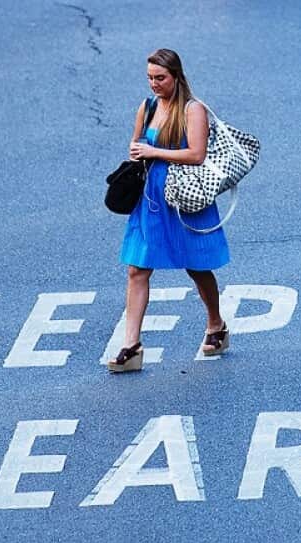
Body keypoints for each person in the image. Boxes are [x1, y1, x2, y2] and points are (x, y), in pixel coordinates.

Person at [109, 48, 230, 372]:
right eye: (150, 78)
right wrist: (137, 154)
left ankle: (216, 324)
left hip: (184, 197)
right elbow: (136, 147)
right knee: (137, 269)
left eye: (160, 78)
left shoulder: (194, 110)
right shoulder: (147, 107)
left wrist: (154, 151)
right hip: (150, 197)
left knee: (197, 266)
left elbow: (196, 154)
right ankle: (131, 345)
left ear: (176, 76)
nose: (154, 84)